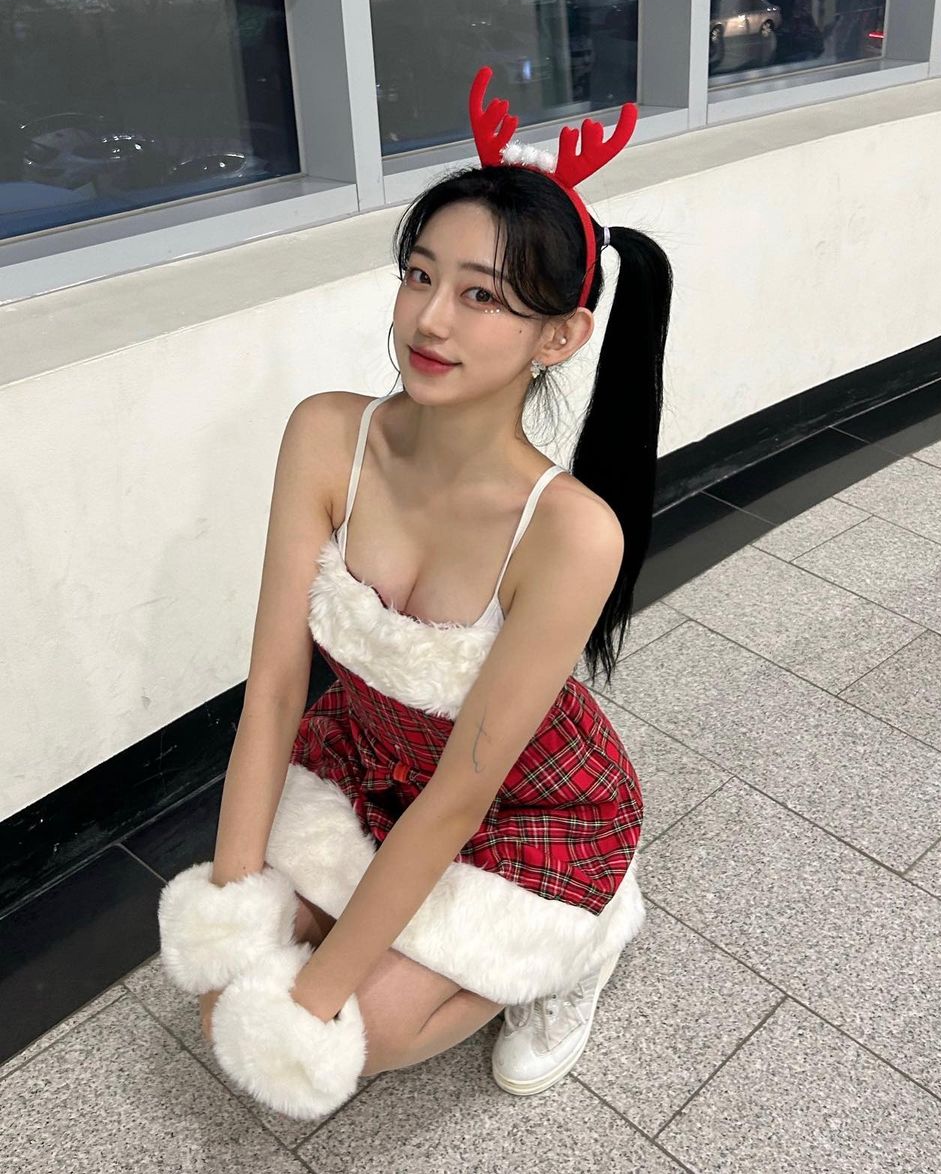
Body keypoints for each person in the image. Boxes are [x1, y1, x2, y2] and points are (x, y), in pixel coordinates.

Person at [156, 65, 674, 1122]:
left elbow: (463, 798)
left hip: (522, 802)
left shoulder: (571, 532)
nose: (429, 320)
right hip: (367, 754)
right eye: (419, 276)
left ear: (559, 336)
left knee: (366, 1031)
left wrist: (313, 1004)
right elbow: (273, 691)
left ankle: (583, 946)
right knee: (223, 1002)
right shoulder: (326, 434)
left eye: (481, 295)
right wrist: (231, 915)